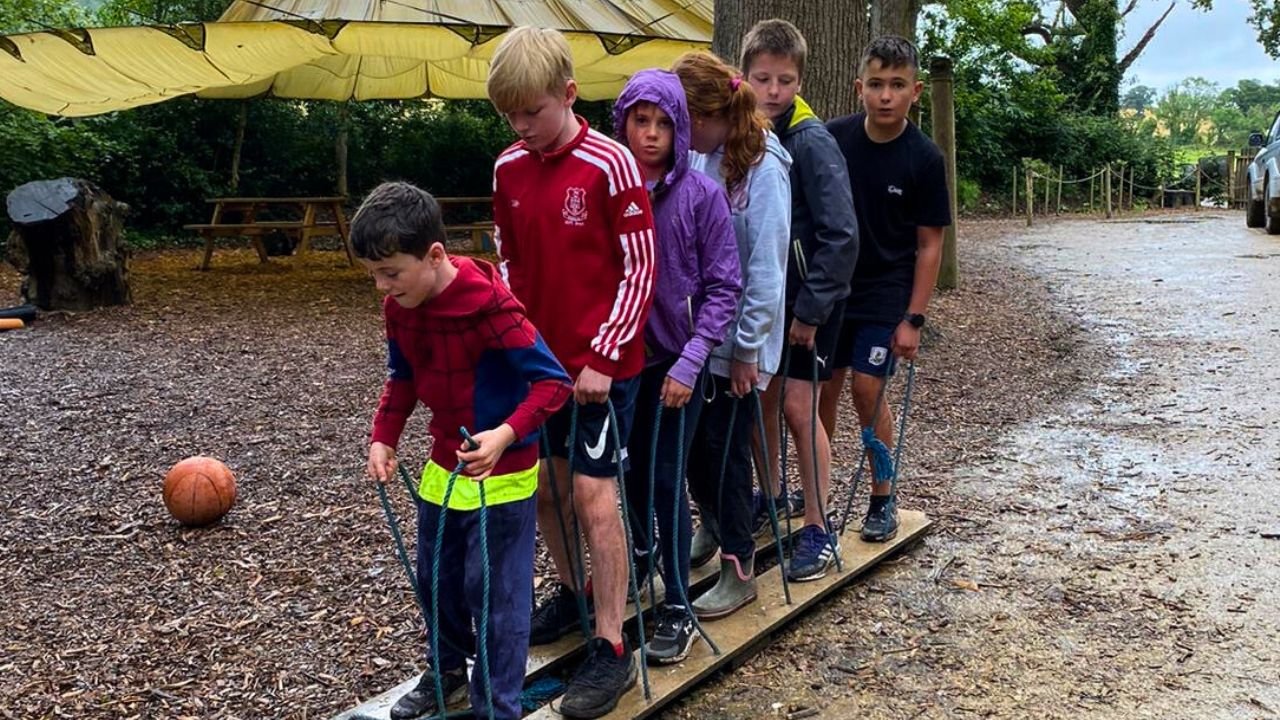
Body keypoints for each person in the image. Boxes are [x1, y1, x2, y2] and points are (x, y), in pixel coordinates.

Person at [486, 26, 657, 719]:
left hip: (602, 372)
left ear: (568, 93)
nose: (522, 126)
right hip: (541, 369)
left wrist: (603, 358)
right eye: (510, 115)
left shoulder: (612, 164)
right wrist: (514, 347)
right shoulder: (507, 169)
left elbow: (640, 268)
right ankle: (573, 591)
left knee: (593, 497)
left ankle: (612, 644)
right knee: (548, 490)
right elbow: (507, 262)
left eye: (533, 111)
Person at [356, 181, 572, 720]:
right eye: (374, 274)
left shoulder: (491, 305)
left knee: (493, 593)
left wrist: (504, 434)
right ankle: (446, 672)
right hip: (443, 467)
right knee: (437, 580)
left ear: (434, 255)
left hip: (505, 472)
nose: (382, 286)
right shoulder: (400, 307)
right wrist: (384, 436)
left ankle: (497, 706)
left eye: (391, 273)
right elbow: (402, 376)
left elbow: (553, 383)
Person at [612, 68, 742, 663]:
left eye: (664, 123)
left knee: (667, 478)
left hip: (676, 362)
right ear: (623, 122)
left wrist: (692, 361)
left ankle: (677, 605)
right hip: (621, 361)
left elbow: (724, 286)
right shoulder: (609, 190)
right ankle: (642, 561)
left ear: (681, 128)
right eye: (640, 120)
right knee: (630, 473)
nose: (651, 134)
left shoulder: (701, 195)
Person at [672, 50, 792, 620]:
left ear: (708, 115)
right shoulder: (699, 155)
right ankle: (715, 525)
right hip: (701, 338)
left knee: (726, 455)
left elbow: (767, 268)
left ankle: (739, 564)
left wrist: (747, 349)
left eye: (683, 120)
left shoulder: (765, 167)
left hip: (739, 344)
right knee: (696, 450)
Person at [740, 19, 860, 582]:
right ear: (744, 76)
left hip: (812, 302)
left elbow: (841, 234)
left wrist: (811, 310)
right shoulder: (745, 136)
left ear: (800, 82)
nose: (773, 91)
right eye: (762, 78)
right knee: (759, 400)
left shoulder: (811, 142)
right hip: (767, 301)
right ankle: (771, 499)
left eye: (784, 81)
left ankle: (817, 525)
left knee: (797, 406)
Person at [822, 35, 951, 543]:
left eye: (897, 85)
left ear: (915, 92)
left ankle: (882, 494)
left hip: (886, 291)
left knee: (867, 388)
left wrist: (913, 318)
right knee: (820, 391)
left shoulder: (925, 158)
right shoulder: (833, 139)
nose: (885, 95)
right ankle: (815, 497)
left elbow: (930, 245)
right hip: (832, 288)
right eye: (876, 84)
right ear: (859, 88)